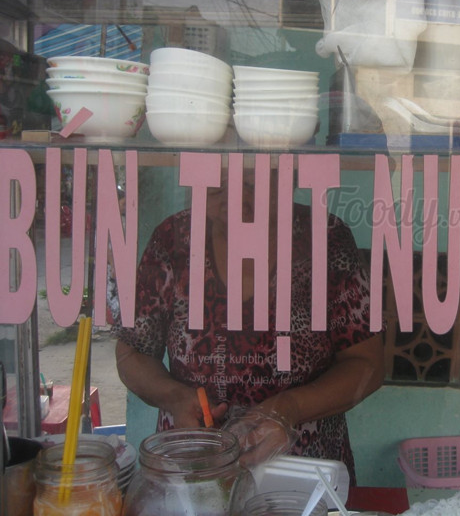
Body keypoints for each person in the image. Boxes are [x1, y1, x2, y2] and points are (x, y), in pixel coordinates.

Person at [111, 168, 384, 481]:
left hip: (304, 475)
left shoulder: (326, 238)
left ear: (289, 180)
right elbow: (132, 353)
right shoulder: (174, 238)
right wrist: (174, 397)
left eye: (253, 184)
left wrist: (290, 409)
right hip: (196, 469)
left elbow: (367, 363)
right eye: (218, 188)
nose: (236, 203)